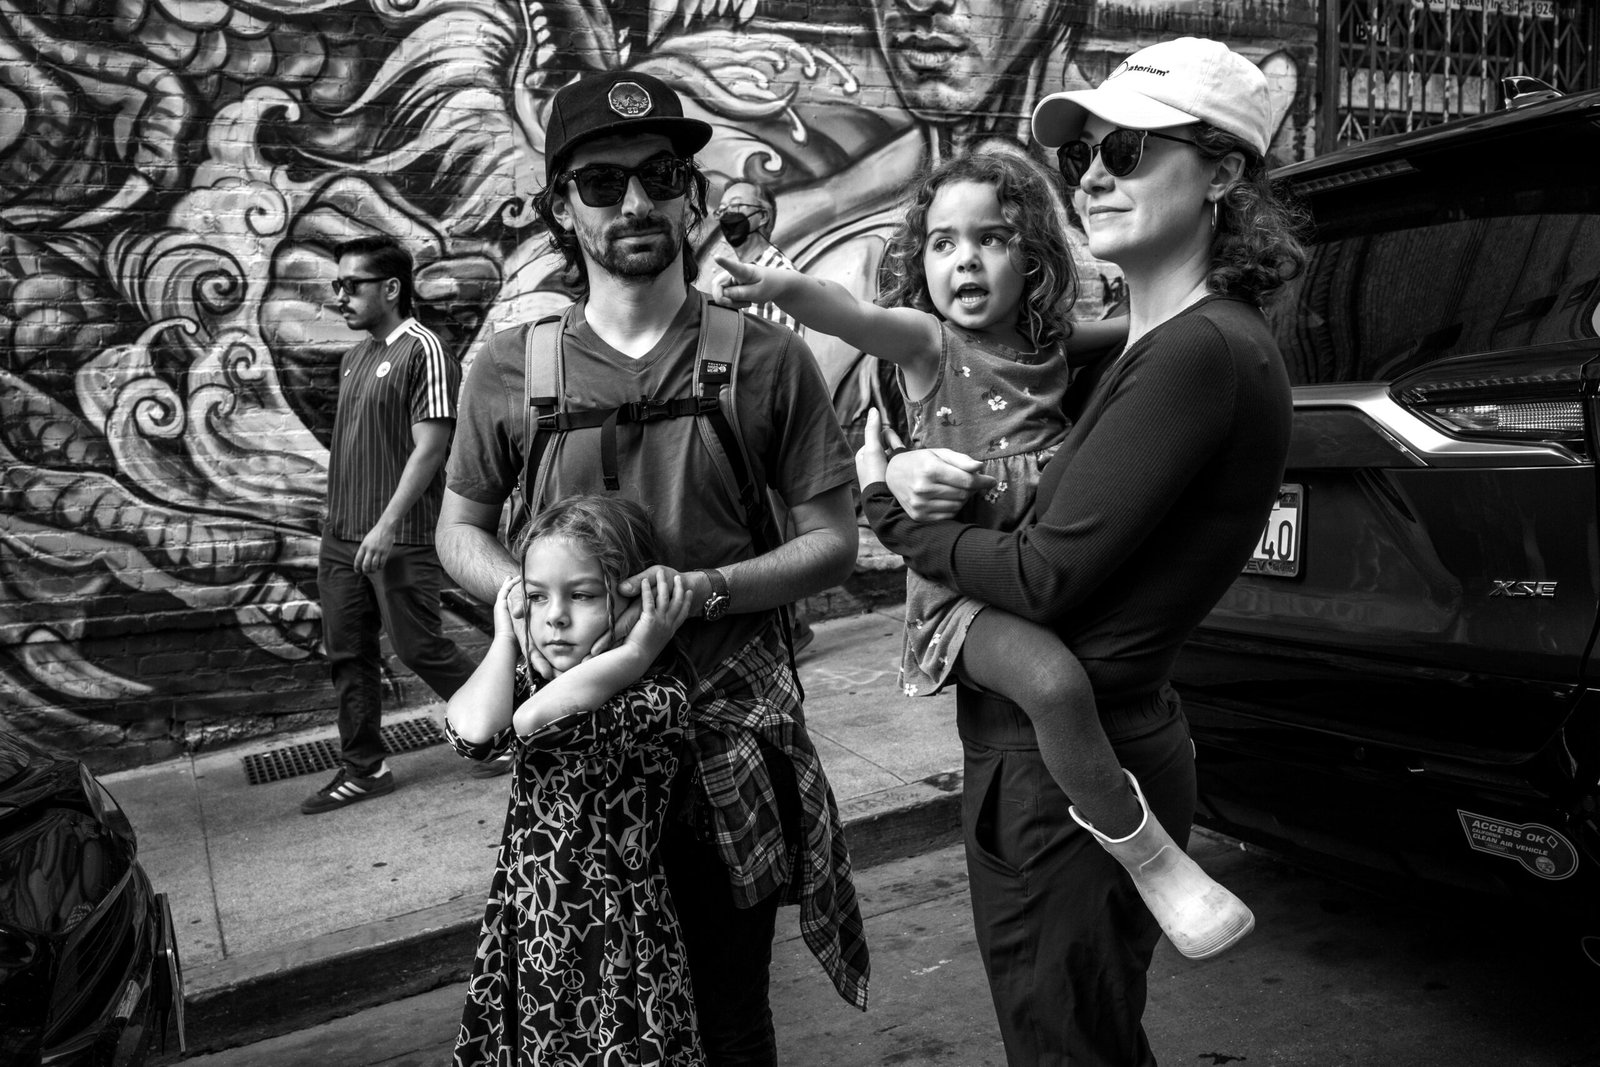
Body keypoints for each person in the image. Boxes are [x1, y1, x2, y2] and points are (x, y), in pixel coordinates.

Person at [858, 36, 1305, 1065]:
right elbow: (1025, 499)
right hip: (1079, 753)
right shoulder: (1153, 345)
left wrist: (887, 508)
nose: (1093, 175)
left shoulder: (1196, 350)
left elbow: (1038, 576)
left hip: (1070, 778)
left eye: (1129, 150)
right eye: (1081, 155)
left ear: (1222, 174)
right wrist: (934, 469)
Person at [718, 148, 1249, 961]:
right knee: (1054, 683)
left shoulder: (1053, 346)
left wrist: (1214, 297)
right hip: (961, 601)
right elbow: (850, 316)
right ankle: (1152, 859)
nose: (964, 259)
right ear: (920, 260)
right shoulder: (928, 342)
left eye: (990, 239)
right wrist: (783, 288)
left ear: (1030, 256)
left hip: (1034, 572)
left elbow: (1147, 330)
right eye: (942, 242)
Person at [437, 70, 870, 1064]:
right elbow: (458, 531)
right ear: (561, 206)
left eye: (660, 176)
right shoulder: (508, 369)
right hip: (582, 767)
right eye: (602, 182)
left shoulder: (766, 359)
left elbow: (833, 540)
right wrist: (524, 596)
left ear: (690, 195)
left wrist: (708, 592)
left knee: (731, 1018)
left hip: (725, 749)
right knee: (589, 1026)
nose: (634, 201)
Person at [444, 495, 701, 1066]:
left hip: (612, 929)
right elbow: (472, 733)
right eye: (537, 597)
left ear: (634, 600)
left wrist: (639, 650)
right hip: (530, 918)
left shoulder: (655, 697)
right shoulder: (532, 682)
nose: (554, 617)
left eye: (582, 595)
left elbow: (538, 723)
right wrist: (506, 637)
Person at [302, 236, 485, 816]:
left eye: (351, 284)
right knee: (347, 653)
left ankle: (502, 728)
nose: (340, 295)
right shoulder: (356, 356)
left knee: (419, 647)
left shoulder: (423, 350)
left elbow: (431, 449)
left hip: (398, 535)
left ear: (390, 288)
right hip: (342, 536)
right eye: (337, 284)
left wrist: (385, 526)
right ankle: (364, 769)